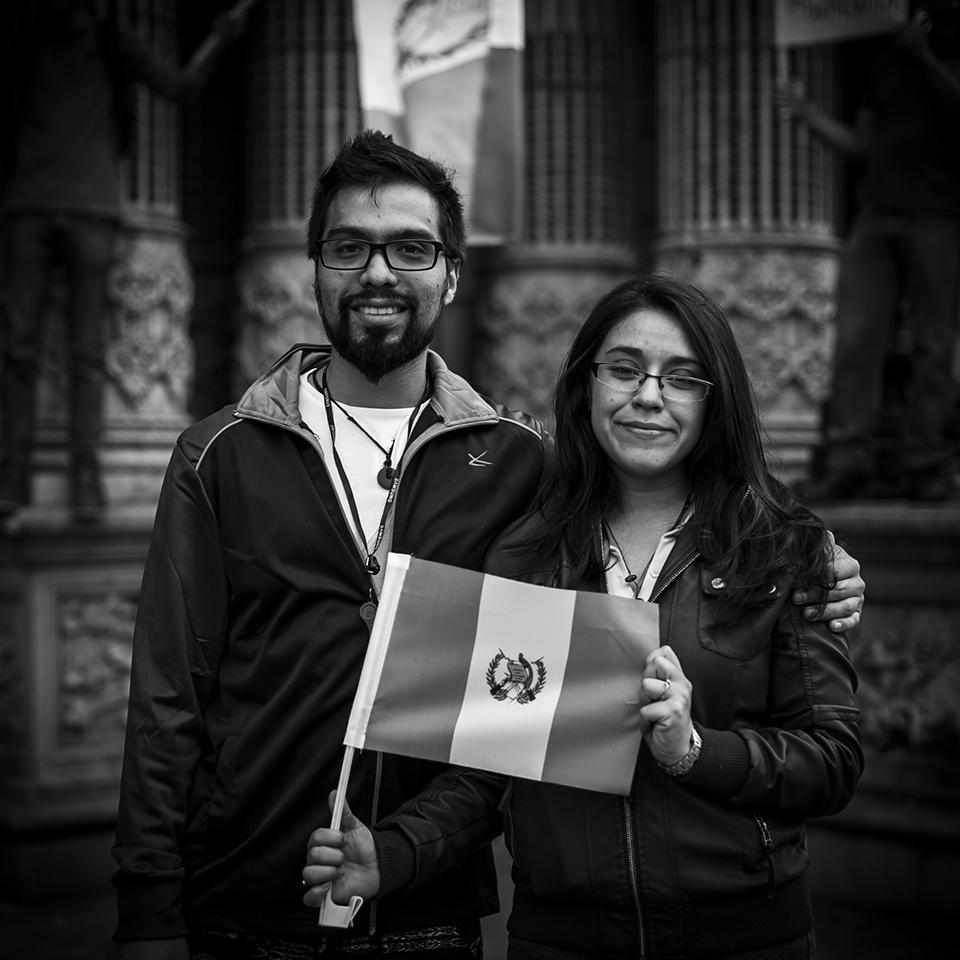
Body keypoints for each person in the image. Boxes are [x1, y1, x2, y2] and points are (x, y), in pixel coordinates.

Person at [110, 132, 864, 960]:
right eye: (349, 248)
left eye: (410, 248)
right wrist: (149, 907)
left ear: (450, 274)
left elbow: (511, 732)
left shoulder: (517, 466)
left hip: (442, 915)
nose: (378, 273)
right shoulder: (225, 455)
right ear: (317, 266)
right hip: (253, 894)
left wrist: (813, 557)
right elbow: (168, 699)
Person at [302, 275, 865, 960]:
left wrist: (695, 750)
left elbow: (833, 760)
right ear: (587, 385)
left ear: (716, 403)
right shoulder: (531, 553)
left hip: (745, 934)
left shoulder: (780, 546)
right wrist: (389, 856)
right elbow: (490, 770)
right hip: (561, 936)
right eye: (624, 370)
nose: (648, 396)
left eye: (683, 379)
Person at [0, 0, 253, 523]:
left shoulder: (113, 37)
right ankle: (11, 479)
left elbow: (179, 87)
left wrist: (221, 38)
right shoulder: (28, 36)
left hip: (92, 209)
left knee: (86, 351)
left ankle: (87, 481)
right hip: (28, 203)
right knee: (17, 350)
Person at [778, 1, 960, 501]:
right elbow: (863, 146)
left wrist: (923, 58)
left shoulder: (933, 58)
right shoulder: (889, 62)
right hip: (875, 214)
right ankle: (847, 461)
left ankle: (925, 462)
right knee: (856, 341)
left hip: (940, 217)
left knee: (934, 344)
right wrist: (809, 117)